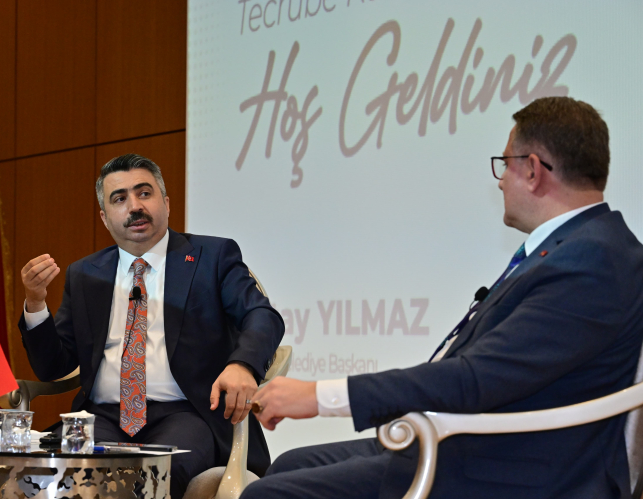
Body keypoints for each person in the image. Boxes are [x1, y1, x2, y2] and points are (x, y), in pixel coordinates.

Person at [243, 96, 643, 499]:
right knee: (288, 465)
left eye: (505, 164)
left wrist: (318, 396)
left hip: (509, 470)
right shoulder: (582, 246)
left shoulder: (591, 260)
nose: (500, 181)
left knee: (265, 495)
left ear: (533, 170)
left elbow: (476, 378)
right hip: (476, 443)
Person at [18, 154, 284, 499]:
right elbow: (54, 365)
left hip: (186, 414)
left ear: (166, 203)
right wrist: (36, 303)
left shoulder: (212, 256)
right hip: (101, 418)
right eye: (119, 199)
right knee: (36, 476)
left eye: (144, 193)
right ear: (105, 217)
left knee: (149, 480)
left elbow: (261, 315)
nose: (134, 206)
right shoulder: (85, 273)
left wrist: (243, 364)